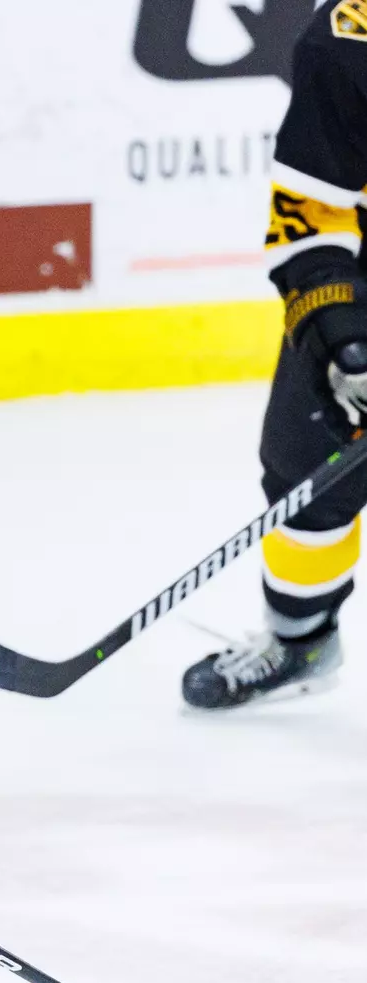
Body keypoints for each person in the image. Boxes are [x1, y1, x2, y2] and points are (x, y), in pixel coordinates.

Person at [183, 2, 367, 708]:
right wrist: (343, 337)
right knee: (306, 463)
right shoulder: (347, 39)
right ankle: (302, 638)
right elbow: (312, 211)